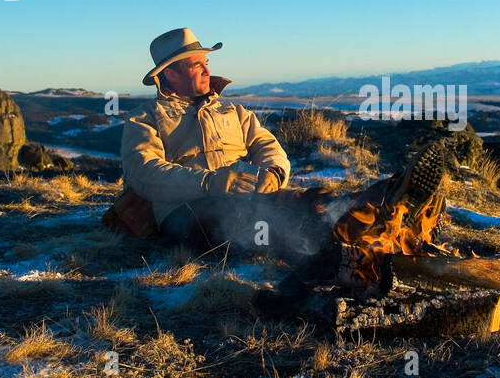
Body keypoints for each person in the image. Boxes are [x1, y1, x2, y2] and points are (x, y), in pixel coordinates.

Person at [119, 28, 450, 292]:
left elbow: (269, 147)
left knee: (308, 200)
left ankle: (384, 206)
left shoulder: (232, 111)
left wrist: (275, 172)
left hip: (246, 193)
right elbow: (143, 172)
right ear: (171, 75)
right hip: (188, 209)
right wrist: (211, 181)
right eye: (197, 64)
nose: (208, 69)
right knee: (253, 217)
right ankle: (345, 249)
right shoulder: (145, 119)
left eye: (206, 61)